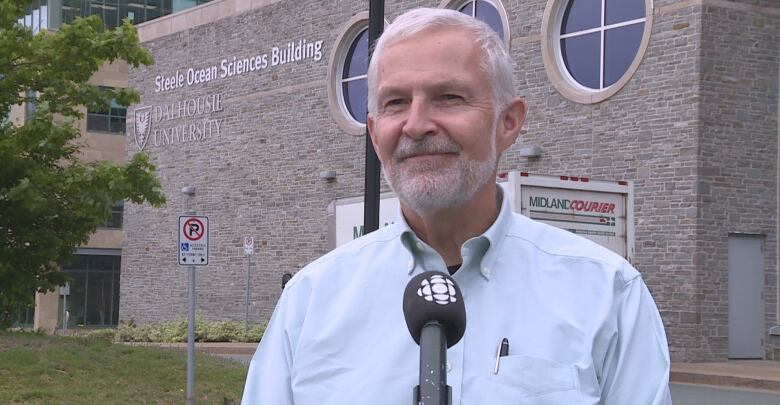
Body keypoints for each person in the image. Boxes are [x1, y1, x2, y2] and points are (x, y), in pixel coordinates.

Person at [242, 7, 671, 404]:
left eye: (449, 97)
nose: (417, 125)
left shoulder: (605, 293)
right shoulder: (311, 301)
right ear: (374, 134)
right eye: (395, 103)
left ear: (508, 123)